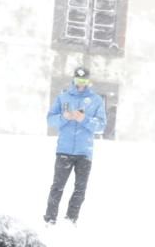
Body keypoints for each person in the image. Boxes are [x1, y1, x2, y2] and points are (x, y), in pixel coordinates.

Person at [43, 66, 107, 225]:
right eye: (78, 80)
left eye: (84, 80)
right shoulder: (63, 97)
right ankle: (50, 219)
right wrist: (64, 117)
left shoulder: (96, 100)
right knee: (57, 187)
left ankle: (71, 219)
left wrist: (83, 119)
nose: (81, 83)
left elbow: (101, 126)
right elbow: (50, 120)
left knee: (80, 189)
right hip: (64, 150)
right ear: (73, 79)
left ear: (89, 81)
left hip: (84, 153)